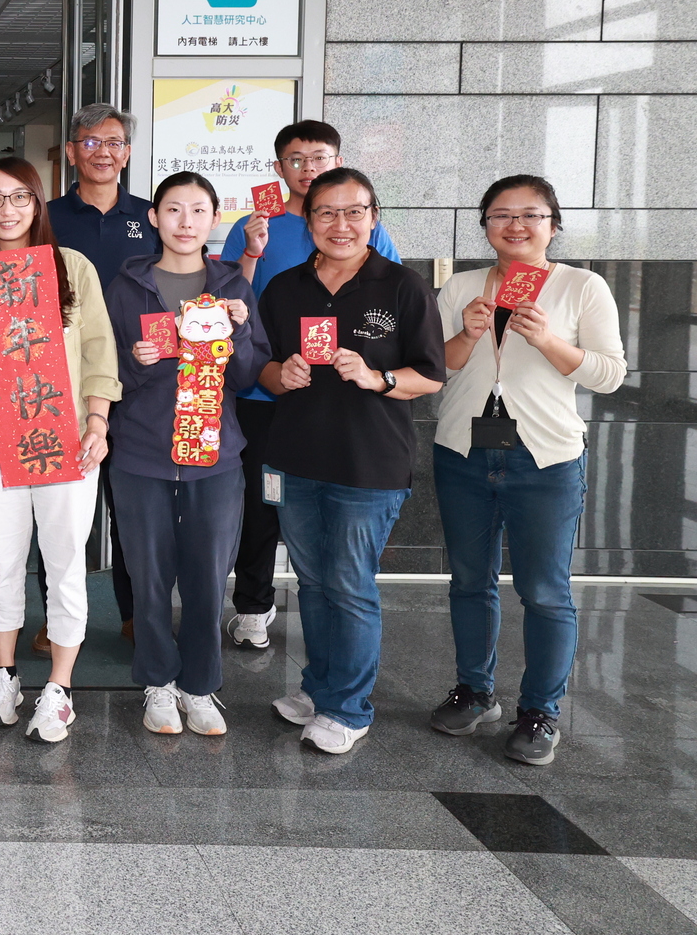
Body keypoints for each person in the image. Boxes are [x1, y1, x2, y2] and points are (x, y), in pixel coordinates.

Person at [429, 175, 625, 765]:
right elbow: (433, 370)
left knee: (543, 590)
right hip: (463, 451)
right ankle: (474, 690)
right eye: (501, 215)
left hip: (545, 458)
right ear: (485, 226)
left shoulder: (582, 287)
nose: (515, 225)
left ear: (553, 226)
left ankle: (540, 711)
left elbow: (609, 374)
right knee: (469, 580)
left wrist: (547, 341)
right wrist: (466, 334)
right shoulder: (460, 286)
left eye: (530, 215)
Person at [256, 168, 444, 754]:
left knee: (349, 583)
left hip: (369, 465)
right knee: (312, 582)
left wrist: (377, 376)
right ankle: (319, 688)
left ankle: (348, 708)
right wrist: (281, 375)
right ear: (307, 219)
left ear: (373, 217)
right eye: (326, 212)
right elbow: (261, 367)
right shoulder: (283, 288)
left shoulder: (403, 287)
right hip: (294, 459)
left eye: (354, 211)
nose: (341, 224)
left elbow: (430, 375)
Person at [0, 158, 119, 744]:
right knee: (2, 563)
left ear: (38, 204)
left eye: (20, 197)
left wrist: (98, 421)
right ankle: (6, 675)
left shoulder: (71, 269)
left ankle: (60, 689)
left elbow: (99, 350)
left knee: (65, 566)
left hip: (65, 444)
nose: (7, 209)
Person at [218, 120, 402, 651]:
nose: (308, 168)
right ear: (278, 168)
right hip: (263, 390)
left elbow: (391, 301)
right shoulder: (254, 224)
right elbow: (229, 302)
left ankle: (334, 605)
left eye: (319, 157)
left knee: (332, 507)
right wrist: (251, 251)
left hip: (340, 396)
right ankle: (253, 605)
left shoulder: (363, 227)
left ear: (337, 161)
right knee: (261, 504)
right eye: (296, 160)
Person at [106, 172, 270, 737]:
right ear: (154, 218)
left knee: (207, 578)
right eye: (173, 209)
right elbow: (101, 370)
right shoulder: (125, 287)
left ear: (214, 219)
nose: (185, 222)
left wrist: (240, 332)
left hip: (216, 456)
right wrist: (135, 362)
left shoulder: (233, 286)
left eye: (198, 210)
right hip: (140, 453)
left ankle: (200, 685)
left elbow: (249, 374)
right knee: (148, 577)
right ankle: (157, 681)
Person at [44, 102, 158, 647]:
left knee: (133, 507)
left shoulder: (152, 218)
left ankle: (136, 615)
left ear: (127, 153)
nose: (103, 153)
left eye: (114, 143)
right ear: (71, 152)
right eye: (90, 142)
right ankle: (55, 619)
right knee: (59, 511)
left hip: (139, 383)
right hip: (66, 385)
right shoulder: (44, 218)